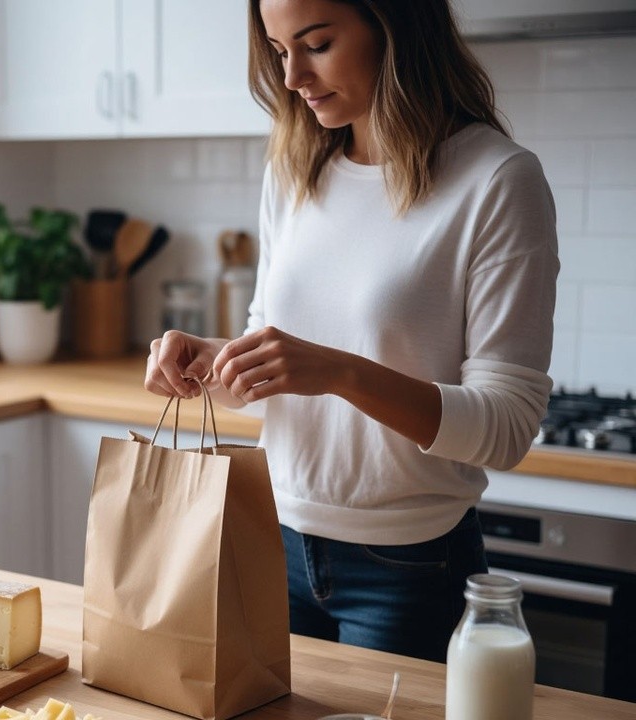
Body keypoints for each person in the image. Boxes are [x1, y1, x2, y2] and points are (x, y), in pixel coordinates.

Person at [144, 0, 559, 663]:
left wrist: (339, 372)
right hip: (273, 540)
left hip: (409, 570)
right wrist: (208, 360)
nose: (292, 79)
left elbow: (508, 427)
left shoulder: (497, 180)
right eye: (280, 52)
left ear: (395, 26)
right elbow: (271, 359)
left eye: (316, 44)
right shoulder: (294, 167)